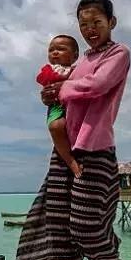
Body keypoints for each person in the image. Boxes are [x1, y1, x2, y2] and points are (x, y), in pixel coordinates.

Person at [9, 0, 130, 260]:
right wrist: (50, 94)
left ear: (111, 22)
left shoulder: (118, 53)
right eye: (84, 24)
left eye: (97, 22)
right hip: (64, 152)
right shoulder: (77, 63)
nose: (90, 29)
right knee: (59, 227)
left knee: (86, 226)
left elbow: (96, 86)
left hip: (95, 149)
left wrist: (61, 89)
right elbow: (64, 90)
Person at [36, 35, 82, 177]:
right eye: (51, 50)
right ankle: (71, 162)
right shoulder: (49, 70)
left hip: (75, 106)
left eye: (61, 49)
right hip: (57, 106)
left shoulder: (78, 70)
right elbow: (43, 83)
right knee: (55, 127)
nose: (55, 52)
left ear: (74, 56)